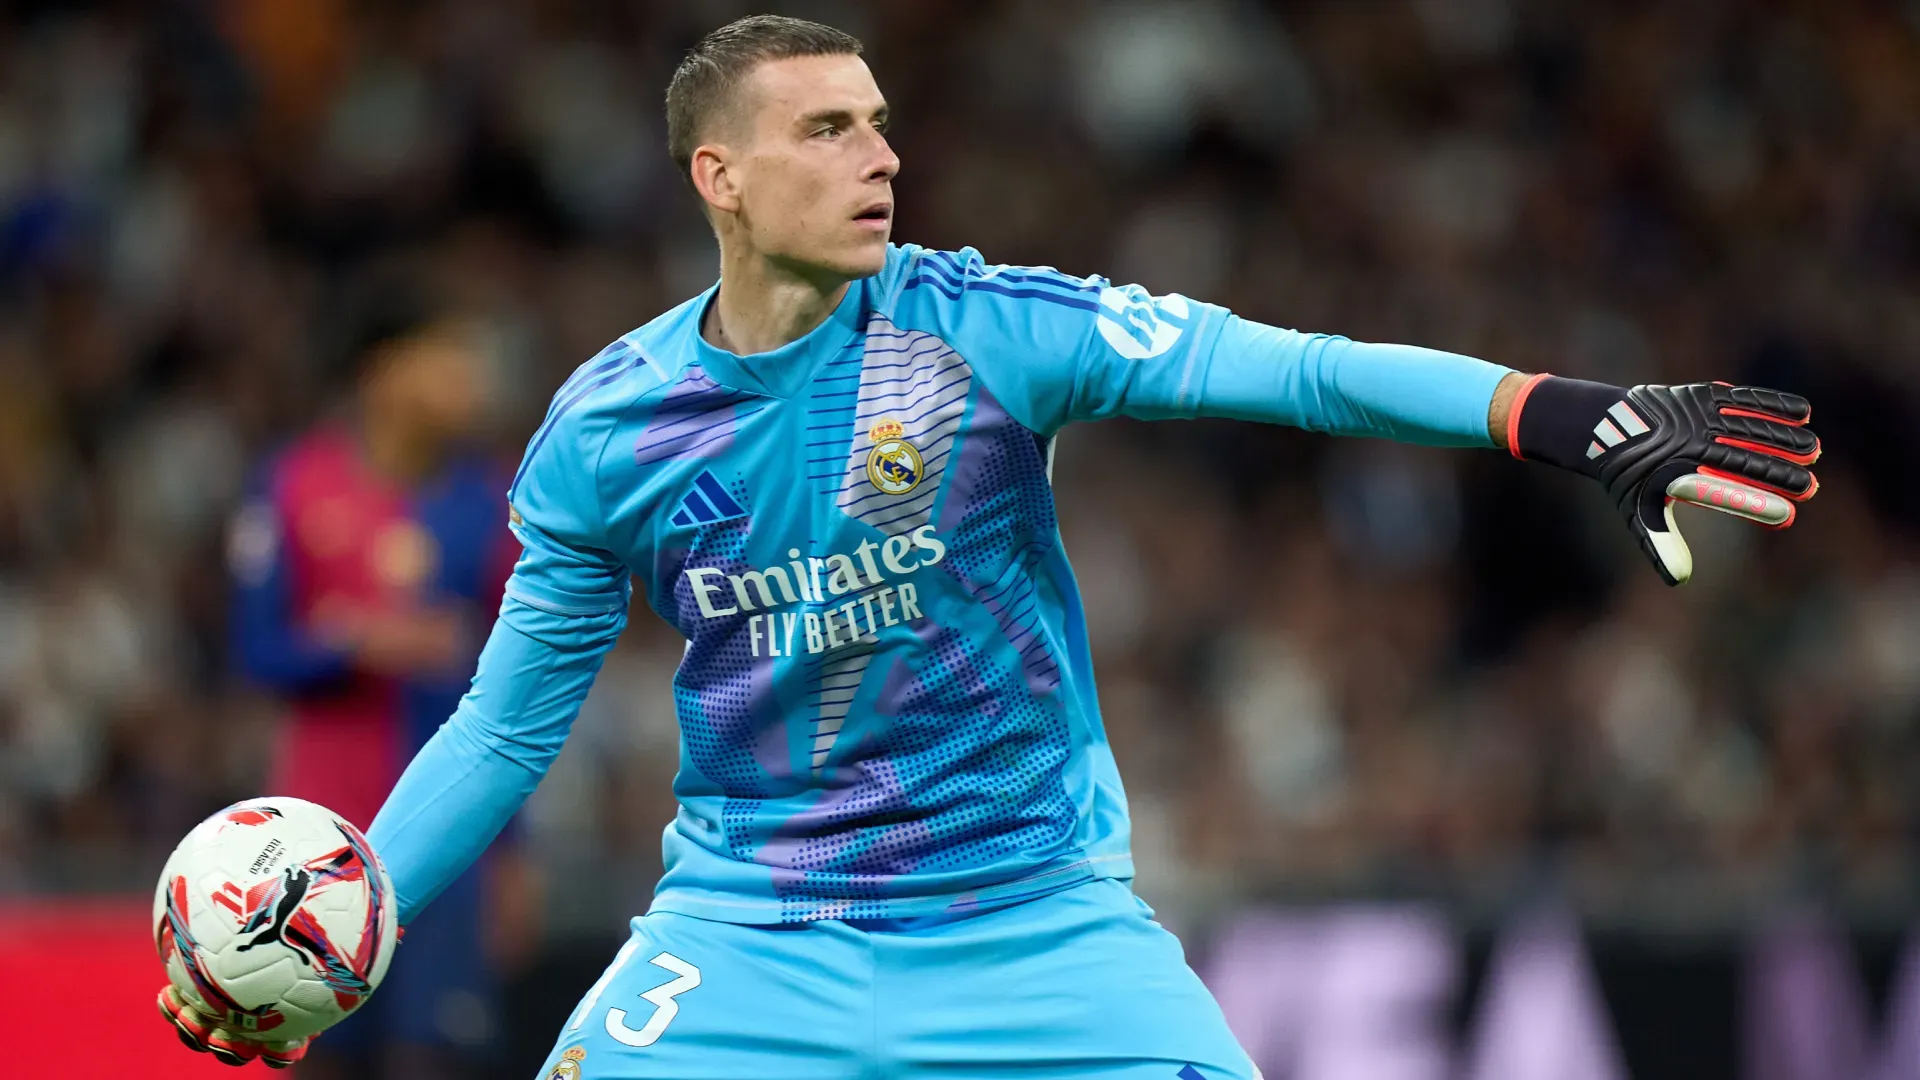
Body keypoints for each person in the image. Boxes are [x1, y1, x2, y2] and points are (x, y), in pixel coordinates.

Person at [161, 15, 1821, 1077]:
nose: (881, 157)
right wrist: (344, 921)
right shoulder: (611, 433)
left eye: (881, 123)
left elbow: (1296, 370)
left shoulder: (986, 332)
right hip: (751, 941)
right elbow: (506, 727)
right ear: (718, 176)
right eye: (828, 130)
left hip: (1042, 933)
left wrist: (1557, 412)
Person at [186, 308, 534, 1077]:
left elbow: (516, 700)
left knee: (430, 1060)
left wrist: (514, 852)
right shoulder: (293, 481)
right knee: (319, 1058)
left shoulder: (490, 501)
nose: (470, 382)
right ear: (384, 368)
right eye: (447, 359)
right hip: (314, 843)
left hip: (448, 841)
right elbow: (253, 650)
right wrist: (352, 644)